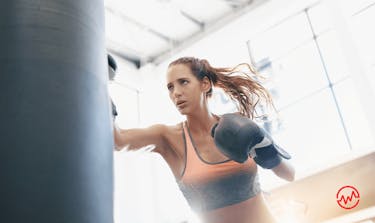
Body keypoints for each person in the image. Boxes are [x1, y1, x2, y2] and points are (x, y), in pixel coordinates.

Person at [112, 56, 295, 223]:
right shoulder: (167, 137)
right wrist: (99, 84)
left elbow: (288, 174)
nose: (176, 93)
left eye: (183, 82)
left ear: (205, 84)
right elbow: (118, 140)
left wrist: (265, 147)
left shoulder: (239, 126)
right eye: (170, 87)